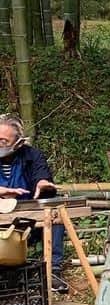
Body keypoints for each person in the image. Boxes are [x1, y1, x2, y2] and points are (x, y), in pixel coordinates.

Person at [0, 114, 67, 293]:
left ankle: (53, 271)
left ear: (18, 143)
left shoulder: (32, 155)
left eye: (3, 141)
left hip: (29, 220)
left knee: (53, 208)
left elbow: (41, 175)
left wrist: (43, 183)